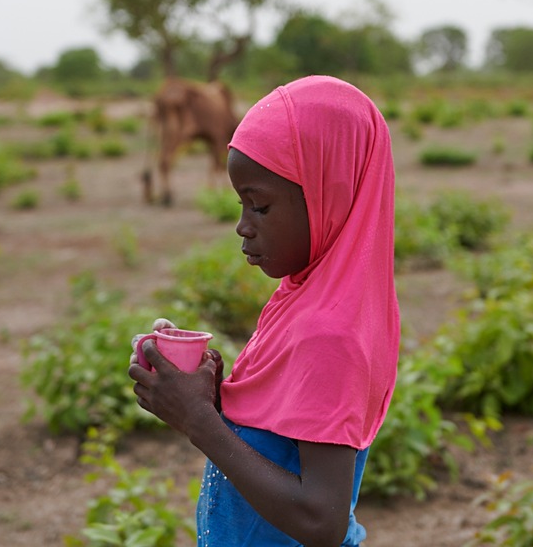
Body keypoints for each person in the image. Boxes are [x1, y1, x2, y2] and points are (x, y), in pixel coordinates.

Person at [129, 75, 400, 546]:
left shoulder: (329, 333)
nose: (242, 226)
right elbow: (283, 433)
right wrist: (212, 397)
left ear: (326, 196)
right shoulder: (304, 298)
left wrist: (200, 422)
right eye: (241, 205)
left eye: (260, 206)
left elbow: (322, 521)